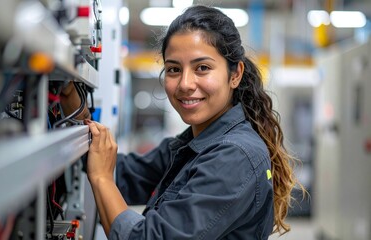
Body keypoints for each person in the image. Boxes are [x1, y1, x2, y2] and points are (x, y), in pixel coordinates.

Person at [84, 5, 303, 239]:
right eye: (174, 69)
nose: (185, 84)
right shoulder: (193, 144)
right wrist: (74, 106)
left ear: (235, 75)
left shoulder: (233, 156)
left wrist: (101, 179)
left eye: (202, 68)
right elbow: (126, 174)